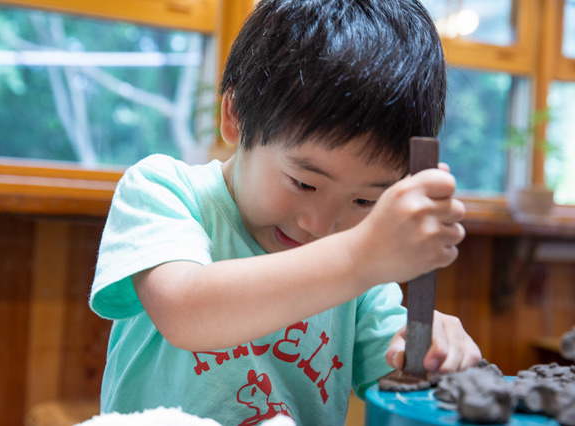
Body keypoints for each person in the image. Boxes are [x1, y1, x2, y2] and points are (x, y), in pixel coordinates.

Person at [89, 0, 482, 424]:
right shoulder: (164, 192)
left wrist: (433, 351)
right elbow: (184, 312)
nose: (321, 226)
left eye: (365, 201)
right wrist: (358, 257)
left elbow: (402, 378)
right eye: (304, 183)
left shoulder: (362, 274)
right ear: (235, 116)